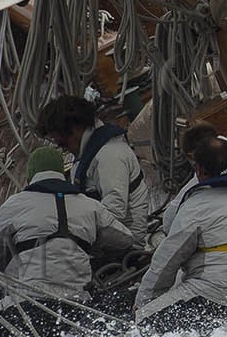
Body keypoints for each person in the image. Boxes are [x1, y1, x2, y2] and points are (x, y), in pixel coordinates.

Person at [135, 137, 227, 320]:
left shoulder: (195, 207)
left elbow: (166, 261)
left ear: (199, 169)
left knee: (143, 318)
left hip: (211, 294)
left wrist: (143, 303)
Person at [0, 146, 134, 304]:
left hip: (29, 301)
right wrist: (92, 244)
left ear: (29, 178)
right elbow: (125, 240)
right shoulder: (89, 205)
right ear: (63, 174)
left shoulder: (13, 205)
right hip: (78, 300)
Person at [38, 94, 152, 239]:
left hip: (126, 241)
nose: (63, 149)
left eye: (63, 143)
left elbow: (115, 211)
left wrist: (74, 232)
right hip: (103, 236)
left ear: (76, 128)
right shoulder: (87, 152)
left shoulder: (109, 155)